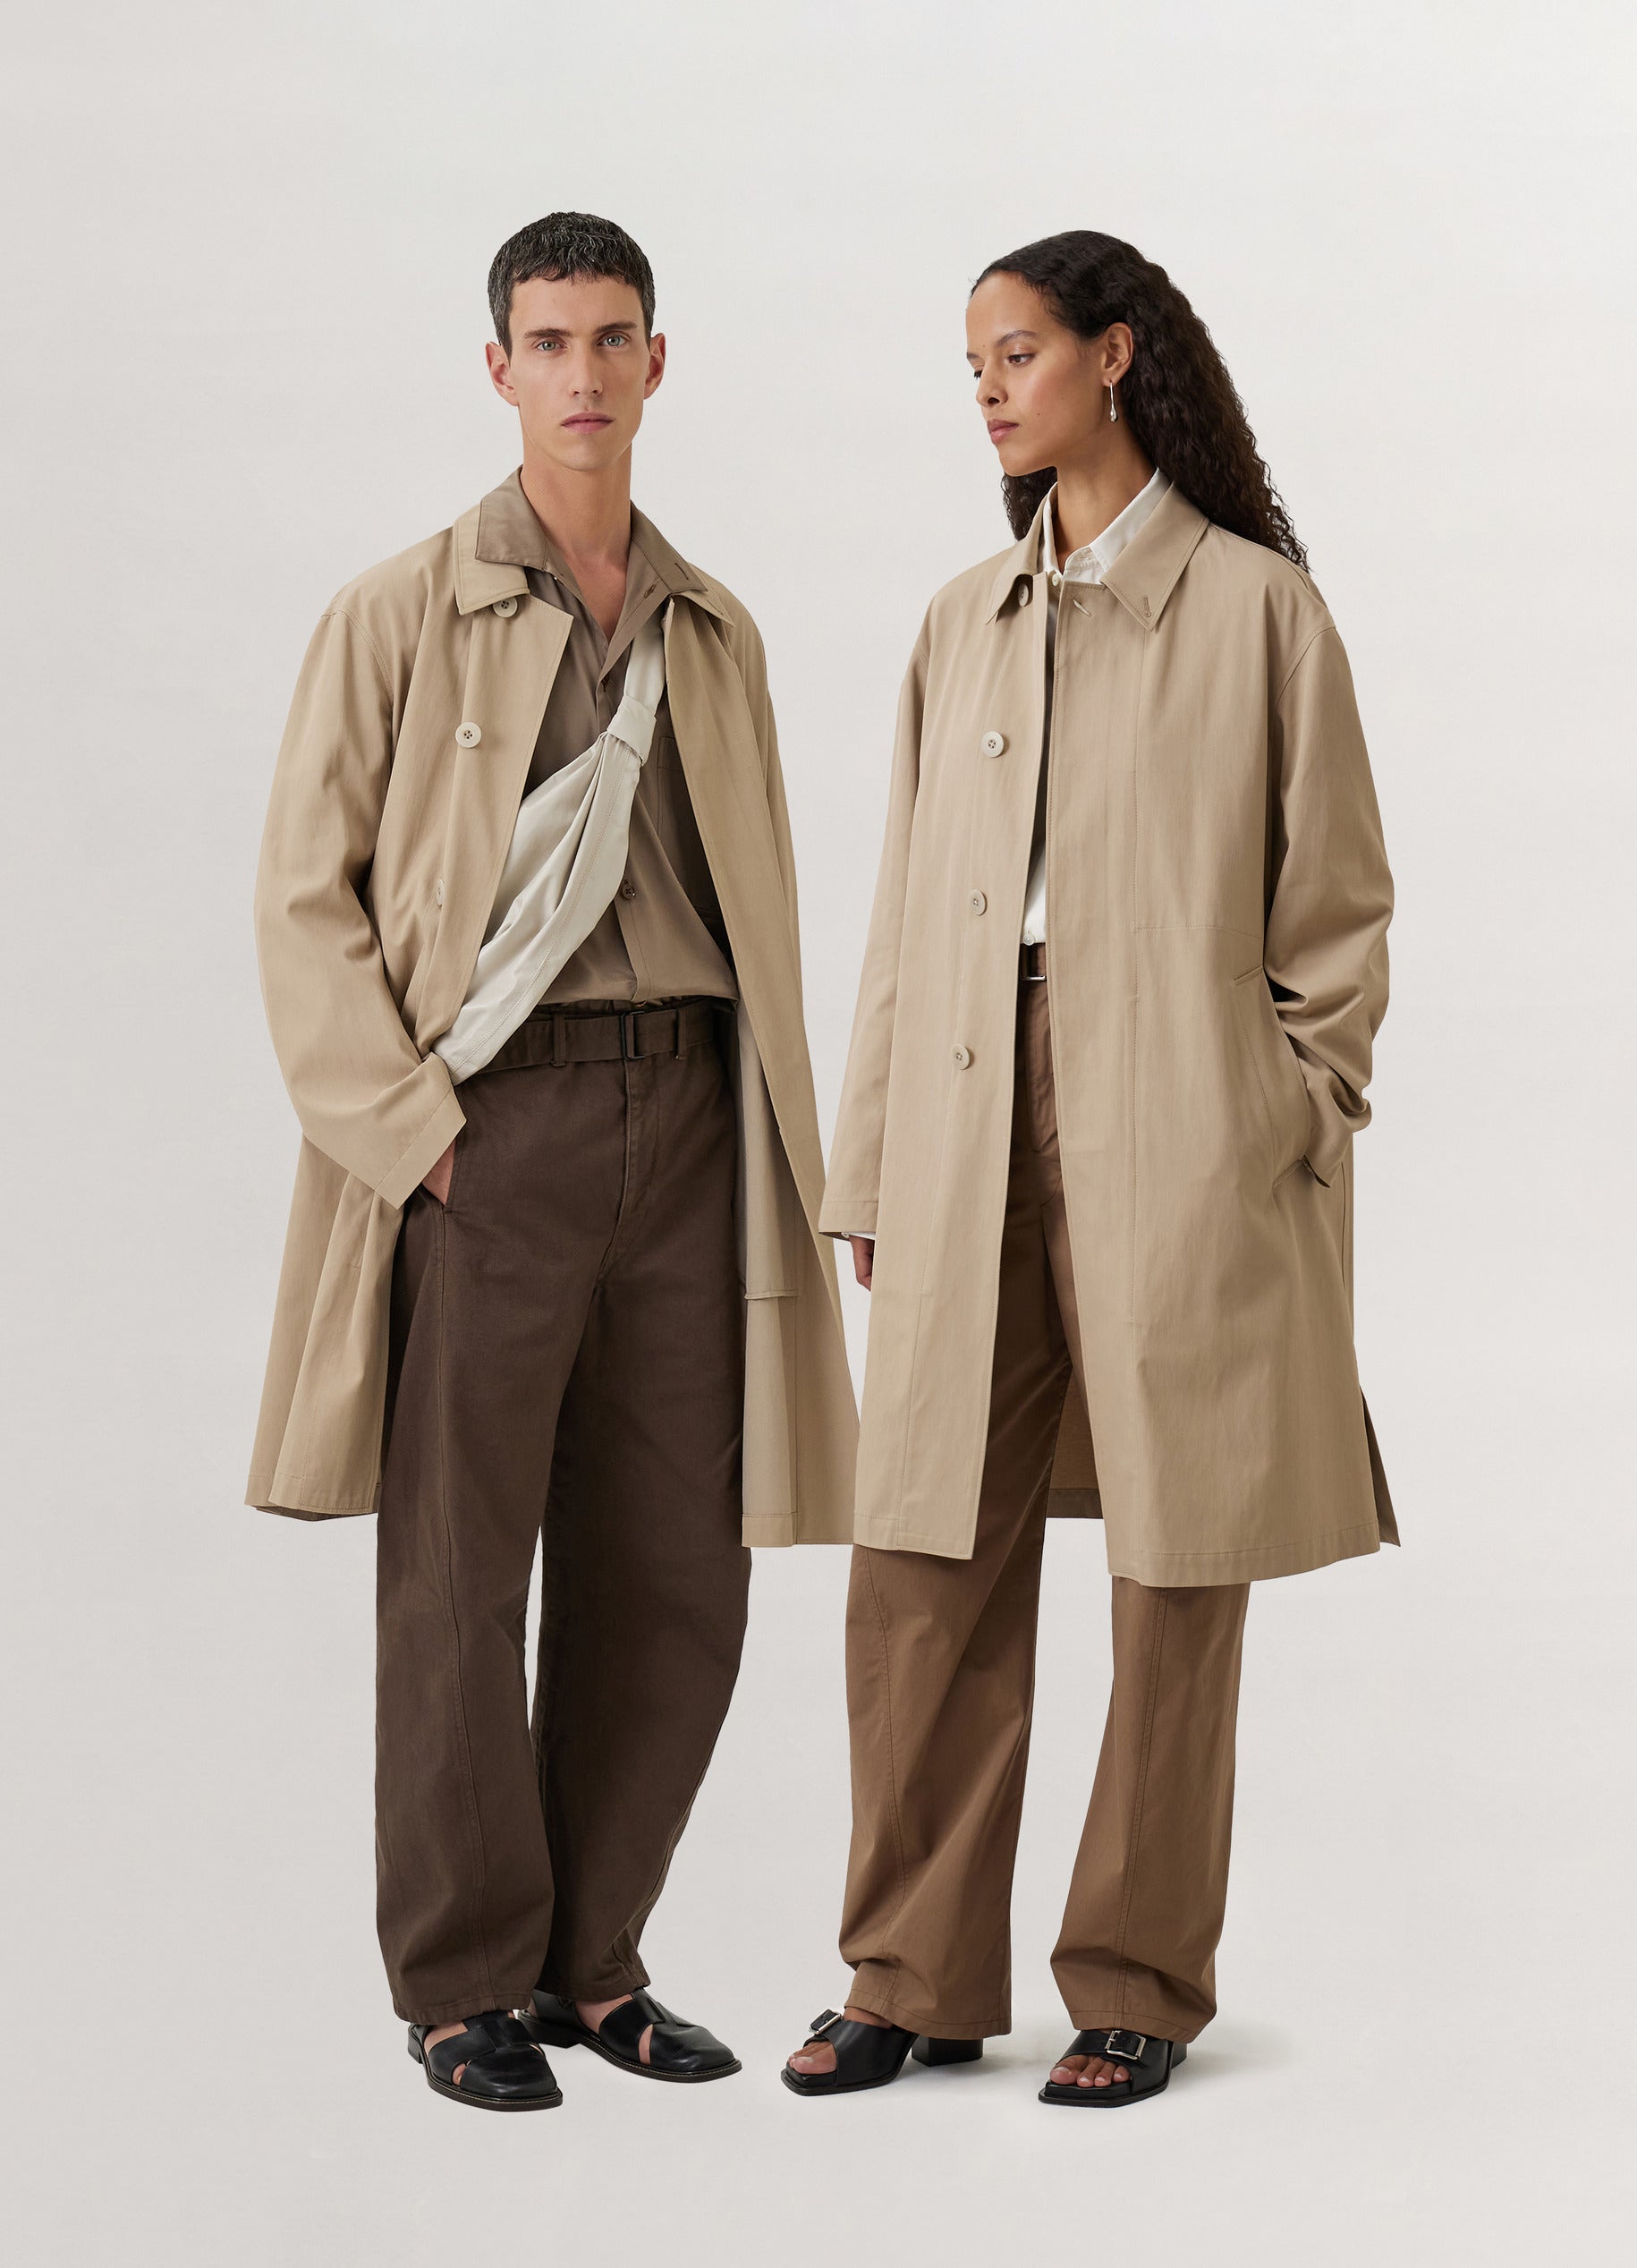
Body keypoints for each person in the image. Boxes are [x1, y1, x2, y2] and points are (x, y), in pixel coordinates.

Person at [248, 210, 857, 2111]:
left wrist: (796, 1152)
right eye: (547, 340)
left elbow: (761, 914)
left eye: (611, 338)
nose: (581, 373)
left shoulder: (714, 631)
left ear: (657, 364)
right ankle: (460, 1982)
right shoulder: (398, 612)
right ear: (497, 367)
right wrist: (422, 1143)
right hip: (489, 1132)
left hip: (692, 1122)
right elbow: (303, 908)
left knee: (677, 1565)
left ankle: (595, 1963)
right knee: (458, 1568)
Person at [785, 230, 1395, 2107]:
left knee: (1172, 1559)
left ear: (1115, 356)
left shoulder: (1259, 612)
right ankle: (908, 1972)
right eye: (971, 360)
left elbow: (1337, 915)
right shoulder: (959, 620)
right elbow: (904, 912)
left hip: (1182, 1124)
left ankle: (1136, 1978)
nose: (985, 386)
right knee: (920, 1552)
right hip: (966, 1114)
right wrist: (870, 1160)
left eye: (1017, 351)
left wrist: (1281, 1109)